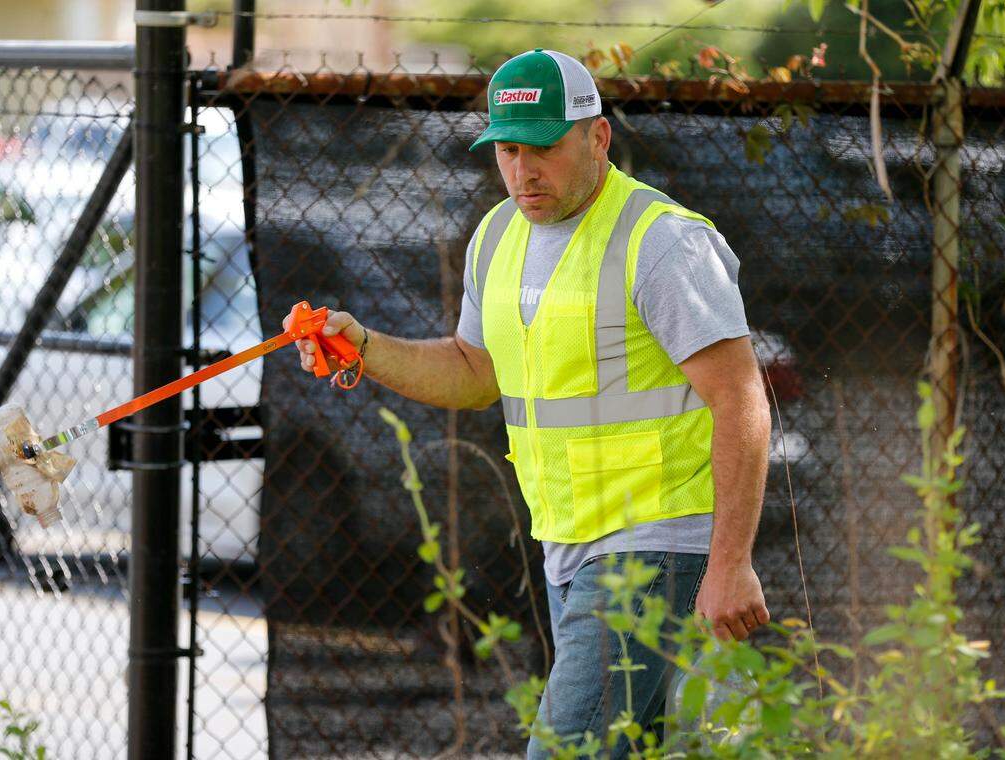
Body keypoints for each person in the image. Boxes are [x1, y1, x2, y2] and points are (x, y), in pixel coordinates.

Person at [289, 48, 771, 758]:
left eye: (542, 148)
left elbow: (742, 400)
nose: (523, 171)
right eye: (508, 150)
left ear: (597, 137)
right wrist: (362, 346)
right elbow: (474, 371)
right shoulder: (497, 237)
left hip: (655, 548)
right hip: (568, 552)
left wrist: (729, 562)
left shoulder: (661, 240)